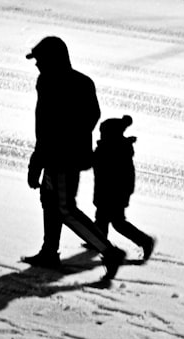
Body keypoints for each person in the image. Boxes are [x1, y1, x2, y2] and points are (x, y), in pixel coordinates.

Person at [22, 36, 125, 280]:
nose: (36, 65)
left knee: (64, 208)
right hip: (68, 155)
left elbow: (47, 126)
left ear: (52, 60)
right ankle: (49, 251)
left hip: (59, 158)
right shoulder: (82, 82)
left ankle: (108, 252)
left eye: (39, 60)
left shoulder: (49, 83)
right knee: (50, 200)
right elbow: (92, 117)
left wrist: (38, 160)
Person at [92, 115, 156, 262]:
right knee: (102, 218)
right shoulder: (114, 148)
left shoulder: (112, 149)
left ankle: (145, 241)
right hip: (108, 192)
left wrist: (125, 194)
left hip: (113, 194)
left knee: (117, 222)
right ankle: (97, 241)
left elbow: (97, 163)